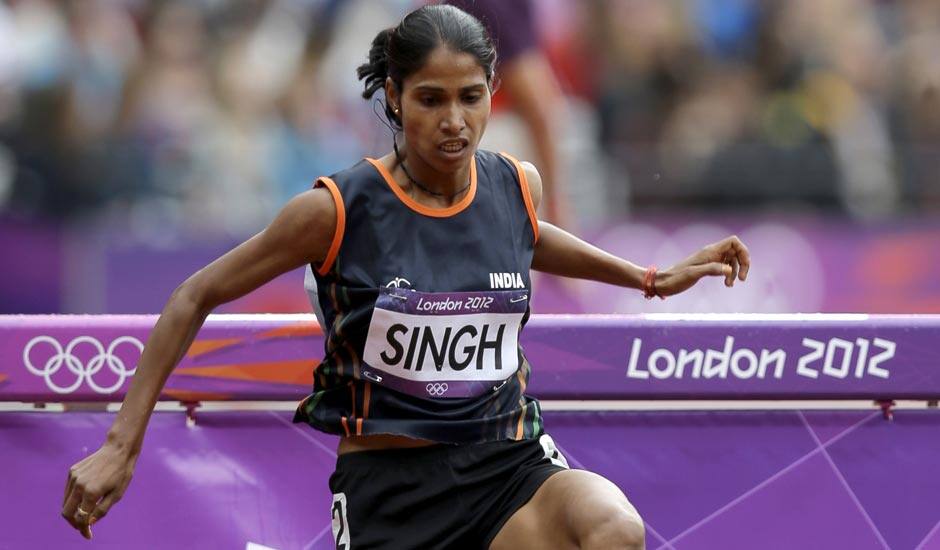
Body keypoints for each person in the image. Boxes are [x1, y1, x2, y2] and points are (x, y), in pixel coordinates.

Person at [61, 5, 750, 549]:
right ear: (393, 97)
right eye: (430, 99)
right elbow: (194, 294)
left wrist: (649, 279)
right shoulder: (335, 210)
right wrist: (121, 444)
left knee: (612, 530)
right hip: (390, 494)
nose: (454, 121)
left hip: (506, 468)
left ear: (492, 94)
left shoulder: (515, 184)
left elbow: (529, 236)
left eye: (471, 97)